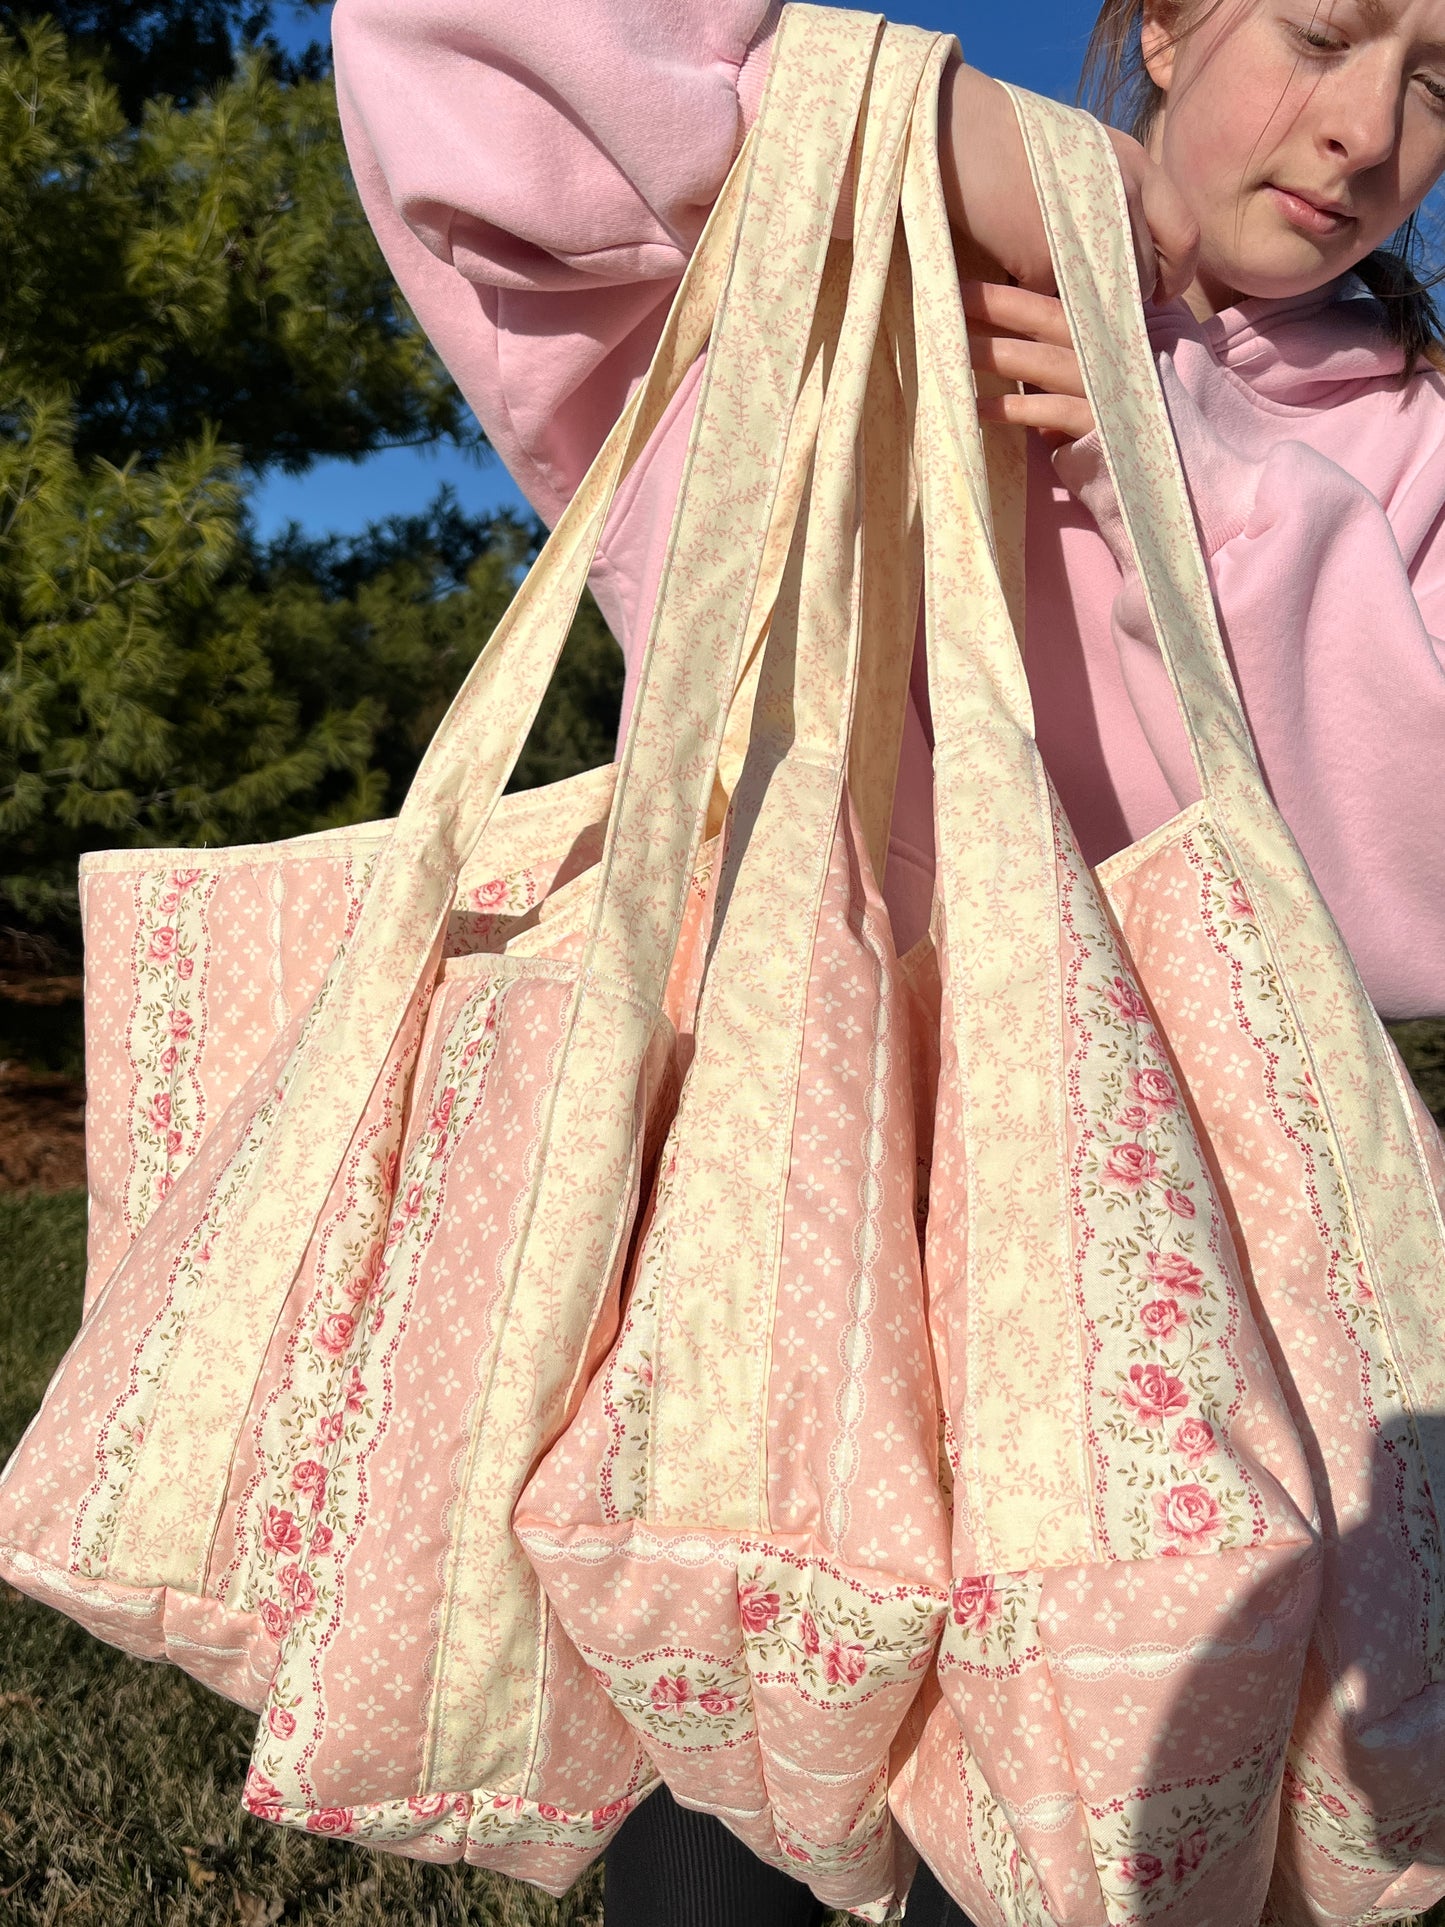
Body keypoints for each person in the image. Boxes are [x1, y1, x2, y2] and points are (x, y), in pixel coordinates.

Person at [327, 0, 1445, 1920]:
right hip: (786, 1196)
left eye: (1440, 82)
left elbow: (1418, 894)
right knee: (729, 1822)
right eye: (1325, 32)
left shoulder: (1403, 437)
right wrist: (924, 135)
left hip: (1177, 1272)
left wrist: (1196, 465)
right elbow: (442, 51)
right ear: (1164, 29)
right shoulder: (815, 240)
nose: (1361, 130)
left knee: (1102, 1802)